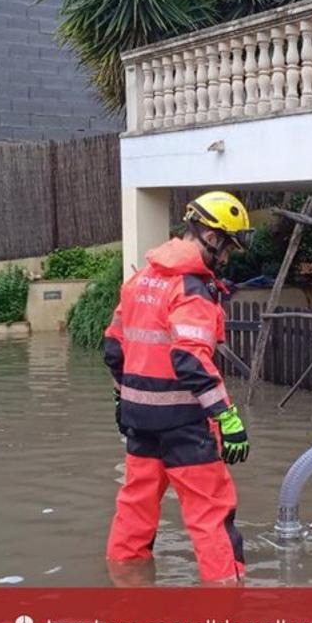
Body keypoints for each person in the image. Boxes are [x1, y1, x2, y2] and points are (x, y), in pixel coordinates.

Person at [101, 191, 254, 584]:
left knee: (135, 509)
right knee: (210, 514)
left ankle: (126, 590)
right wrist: (227, 415)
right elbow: (190, 360)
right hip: (185, 424)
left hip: (140, 420)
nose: (226, 259)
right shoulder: (192, 290)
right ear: (212, 236)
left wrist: (123, 400)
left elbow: (114, 349)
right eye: (227, 248)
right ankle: (227, 611)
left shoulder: (139, 281)